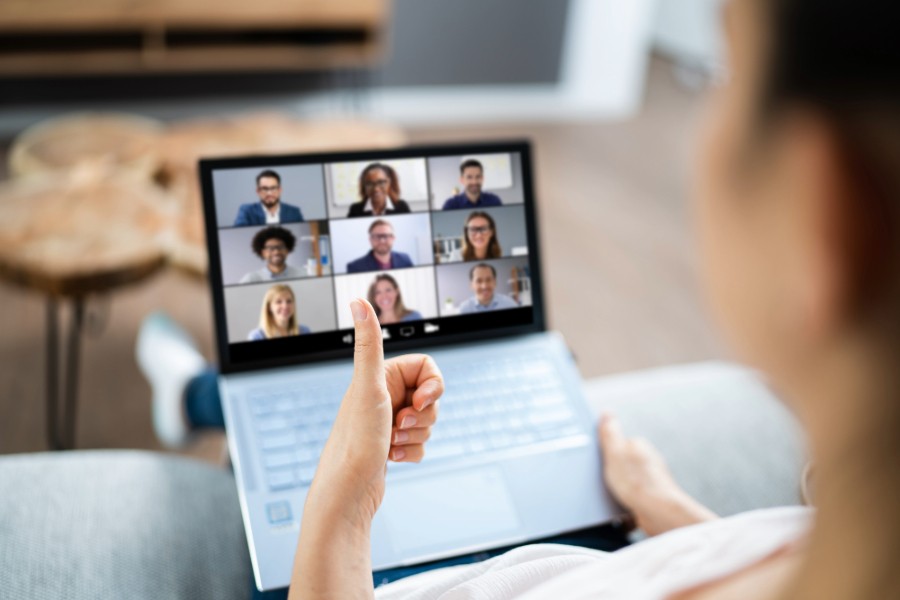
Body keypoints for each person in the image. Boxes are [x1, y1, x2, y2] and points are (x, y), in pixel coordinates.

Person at [136, 0, 900, 596]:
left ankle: (193, 394)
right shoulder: (819, 537)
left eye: (727, 76)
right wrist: (672, 512)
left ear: (826, 212)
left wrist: (340, 506)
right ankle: (195, 394)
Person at [233, 170, 304, 226]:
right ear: (258, 191)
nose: (269, 193)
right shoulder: (246, 211)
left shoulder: (294, 212)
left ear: (280, 190)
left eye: (273, 188)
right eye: (265, 188)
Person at [239, 226, 305, 283]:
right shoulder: (251, 279)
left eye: (281, 247)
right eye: (270, 248)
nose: (276, 252)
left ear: (287, 250)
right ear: (263, 253)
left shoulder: (303, 274)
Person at [346, 220, 414, 274]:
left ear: (393, 238)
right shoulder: (355, 267)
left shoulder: (405, 259)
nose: (382, 241)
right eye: (377, 236)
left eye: (386, 236)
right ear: (370, 240)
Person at [247, 284, 311, 341]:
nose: (285, 306)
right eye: (278, 302)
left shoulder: (304, 331)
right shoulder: (257, 336)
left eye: (289, 301)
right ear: (269, 307)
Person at [346, 163, 412, 217]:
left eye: (381, 182)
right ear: (364, 186)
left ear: (389, 182)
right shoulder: (355, 209)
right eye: (369, 184)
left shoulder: (402, 207)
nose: (376, 189)